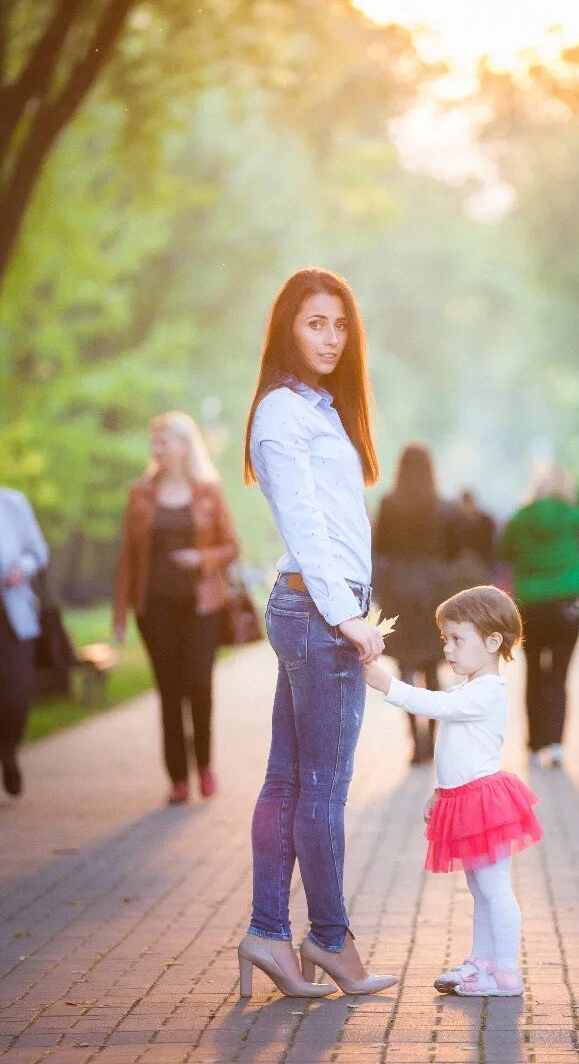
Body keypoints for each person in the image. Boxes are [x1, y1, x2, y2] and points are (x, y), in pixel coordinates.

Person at [240, 267, 398, 1000]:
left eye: (340, 324)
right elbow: (306, 527)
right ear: (286, 329)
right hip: (318, 611)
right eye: (315, 323)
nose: (330, 337)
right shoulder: (282, 413)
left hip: (311, 608)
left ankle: (269, 933)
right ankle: (329, 941)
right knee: (322, 791)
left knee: (289, 779)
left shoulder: (317, 407)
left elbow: (334, 522)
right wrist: (350, 621)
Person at [365, 585, 542, 997]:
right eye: (446, 639)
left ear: (493, 641)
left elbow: (433, 707)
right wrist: (440, 792)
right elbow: (454, 749)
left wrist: (386, 684)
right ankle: (483, 962)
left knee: (495, 889)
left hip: (485, 803)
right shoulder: (469, 688)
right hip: (464, 799)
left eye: (458, 639)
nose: (448, 648)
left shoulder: (487, 692)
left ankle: (506, 973)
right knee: (479, 888)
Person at [113, 411, 238, 805]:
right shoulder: (141, 494)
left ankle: (204, 765)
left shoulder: (208, 492)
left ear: (185, 445)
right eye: (154, 442)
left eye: (163, 440)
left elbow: (232, 546)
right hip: (155, 609)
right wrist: (120, 614)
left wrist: (200, 559)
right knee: (169, 691)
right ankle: (178, 779)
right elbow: (128, 557)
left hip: (201, 607)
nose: (157, 448)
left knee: (199, 685)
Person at [497, 465, 579, 769]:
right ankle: (555, 745)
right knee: (559, 676)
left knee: (533, 674)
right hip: (566, 607)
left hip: (530, 606)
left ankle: (533, 744)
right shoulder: (570, 515)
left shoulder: (521, 517)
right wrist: (576, 486)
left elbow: (503, 551)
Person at [373, 443, 455, 763]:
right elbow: (450, 553)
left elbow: (380, 549)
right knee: (433, 668)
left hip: (399, 590)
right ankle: (432, 740)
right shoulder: (442, 506)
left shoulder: (390, 504)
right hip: (436, 592)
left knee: (406, 666)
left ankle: (415, 741)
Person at [0, 488, 49, 796]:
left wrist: (23, 569)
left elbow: (38, 552)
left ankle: (8, 750)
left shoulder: (13, 503)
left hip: (12, 613)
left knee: (16, 696)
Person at [448, 489, 496, 584]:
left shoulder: (486, 522)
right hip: (459, 566)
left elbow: (489, 546)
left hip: (479, 566)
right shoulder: (452, 523)